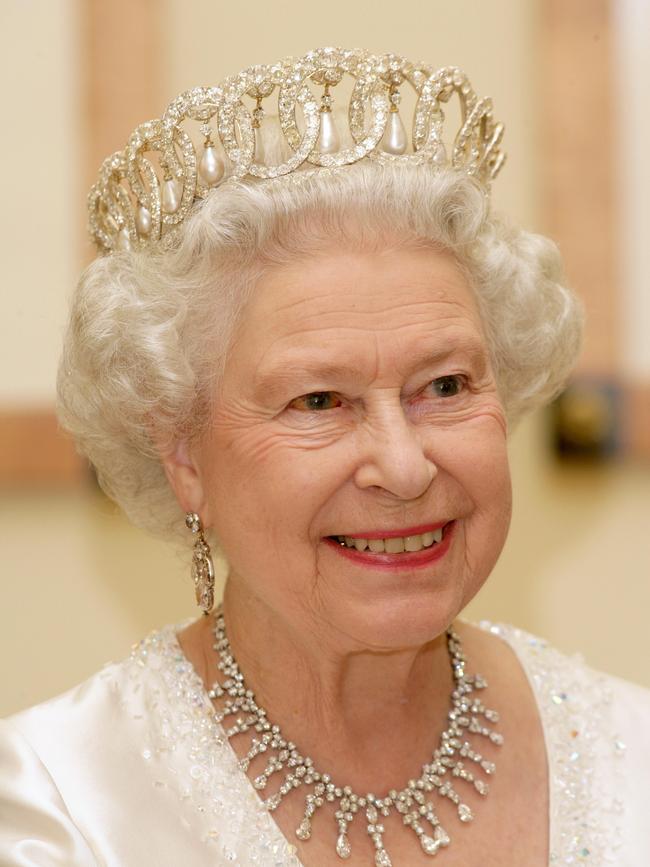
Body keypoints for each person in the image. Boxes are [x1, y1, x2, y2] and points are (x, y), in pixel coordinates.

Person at [0, 47, 648, 866]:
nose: (405, 467)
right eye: (318, 401)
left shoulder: (636, 763)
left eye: (445, 386)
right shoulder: (53, 813)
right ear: (181, 451)